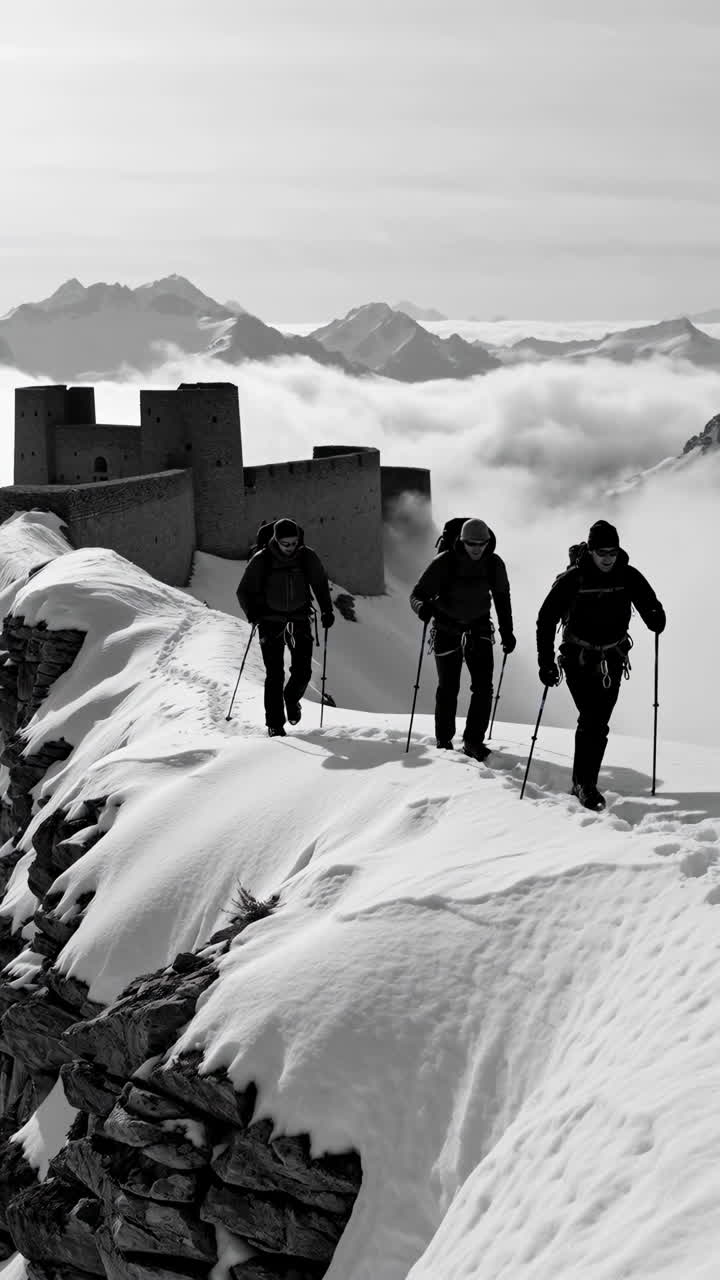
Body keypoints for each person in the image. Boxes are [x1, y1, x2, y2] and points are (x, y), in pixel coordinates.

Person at [536, 519, 666, 811]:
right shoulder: (574, 579)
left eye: (613, 551)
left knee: (598, 722)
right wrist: (546, 662)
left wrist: (656, 617)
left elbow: (650, 604)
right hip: (577, 659)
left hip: (613, 659)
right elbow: (546, 619)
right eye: (602, 552)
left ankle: (584, 781)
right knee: (593, 718)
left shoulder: (628, 575)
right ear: (591, 551)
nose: (608, 557)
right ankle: (585, 784)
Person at [409, 518, 515, 760]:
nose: (477, 548)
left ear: (489, 542)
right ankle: (444, 740)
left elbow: (502, 598)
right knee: (449, 686)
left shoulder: (493, 563)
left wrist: (507, 632)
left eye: (482, 543)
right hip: (447, 628)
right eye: (472, 544)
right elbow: (417, 594)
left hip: (477, 628)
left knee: (483, 687)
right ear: (462, 541)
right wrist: (421, 608)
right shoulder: (445, 562)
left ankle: (473, 740)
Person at [236, 518, 335, 736]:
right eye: (286, 544)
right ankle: (275, 724)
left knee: (303, 671)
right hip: (270, 621)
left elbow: (319, 583)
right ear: (276, 540)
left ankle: (291, 699)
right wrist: (254, 616)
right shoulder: (262, 560)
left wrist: (327, 610)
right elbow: (243, 591)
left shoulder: (307, 556)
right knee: (274, 674)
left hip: (299, 619)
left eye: (294, 543)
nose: (291, 547)